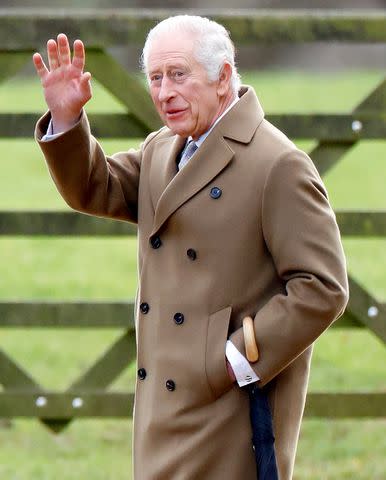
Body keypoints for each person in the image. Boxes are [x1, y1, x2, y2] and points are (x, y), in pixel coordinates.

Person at [33, 15, 348, 480]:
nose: (163, 92)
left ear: (223, 77)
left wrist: (234, 360)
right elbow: (95, 188)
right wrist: (67, 119)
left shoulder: (277, 163)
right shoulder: (163, 148)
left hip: (231, 407)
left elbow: (323, 286)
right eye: (155, 78)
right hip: (162, 409)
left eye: (178, 75)